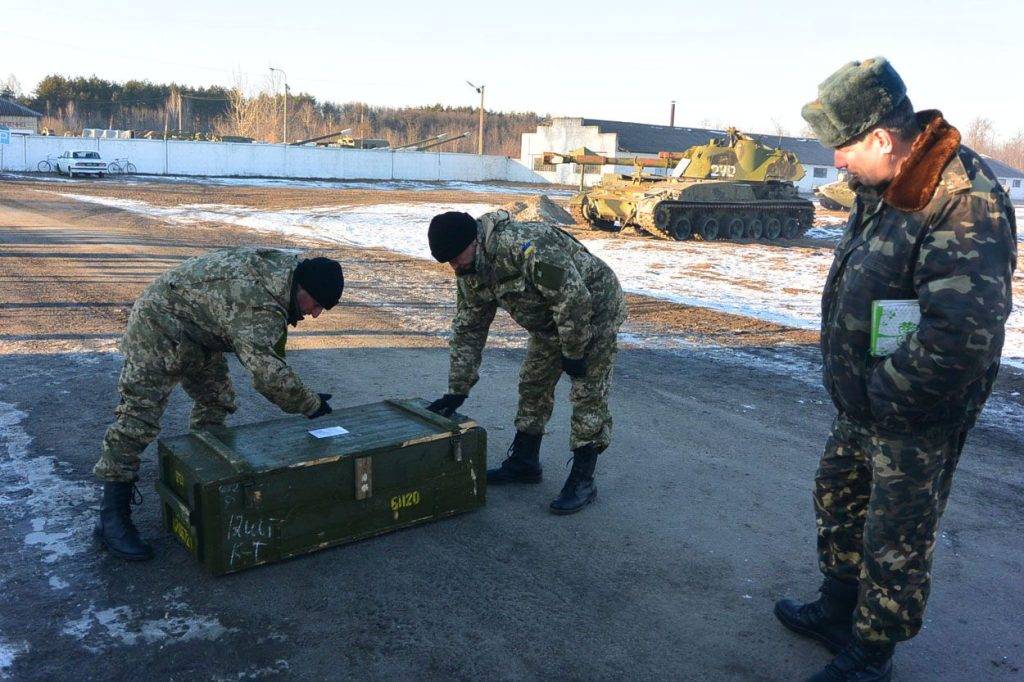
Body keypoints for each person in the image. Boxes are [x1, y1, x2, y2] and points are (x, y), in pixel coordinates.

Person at [775, 58, 1017, 681]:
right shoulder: (884, 184)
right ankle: (837, 609)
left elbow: (961, 334)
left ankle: (871, 653)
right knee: (840, 500)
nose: (840, 163)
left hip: (915, 410)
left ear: (882, 139)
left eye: (844, 148)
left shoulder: (965, 199)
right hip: (866, 401)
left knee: (895, 534)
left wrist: (888, 393)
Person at [94, 247, 344, 561]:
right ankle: (111, 517)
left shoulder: (287, 275)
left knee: (217, 400)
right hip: (158, 325)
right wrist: (309, 404)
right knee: (138, 418)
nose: (315, 314)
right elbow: (268, 374)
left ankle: (201, 478)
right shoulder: (259, 302)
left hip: (198, 331)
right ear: (302, 289)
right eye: (317, 304)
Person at [425, 210, 627, 514]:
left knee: (588, 392)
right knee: (533, 384)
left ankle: (583, 479)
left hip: (594, 312)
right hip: (549, 323)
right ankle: (524, 462)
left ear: (474, 242)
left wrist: (574, 353)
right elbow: (469, 327)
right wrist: (458, 388)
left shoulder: (523, 247)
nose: (455, 266)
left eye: (456, 257)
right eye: (449, 262)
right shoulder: (471, 269)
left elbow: (572, 300)